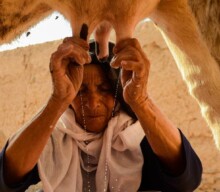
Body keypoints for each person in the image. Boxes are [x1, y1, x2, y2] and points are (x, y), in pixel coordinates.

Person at [0, 37, 202, 192]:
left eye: (104, 89)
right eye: (80, 92)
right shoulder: (52, 140)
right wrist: (57, 101)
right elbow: (5, 179)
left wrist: (141, 101)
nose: (92, 102)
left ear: (118, 91)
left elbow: (187, 178)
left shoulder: (134, 138)